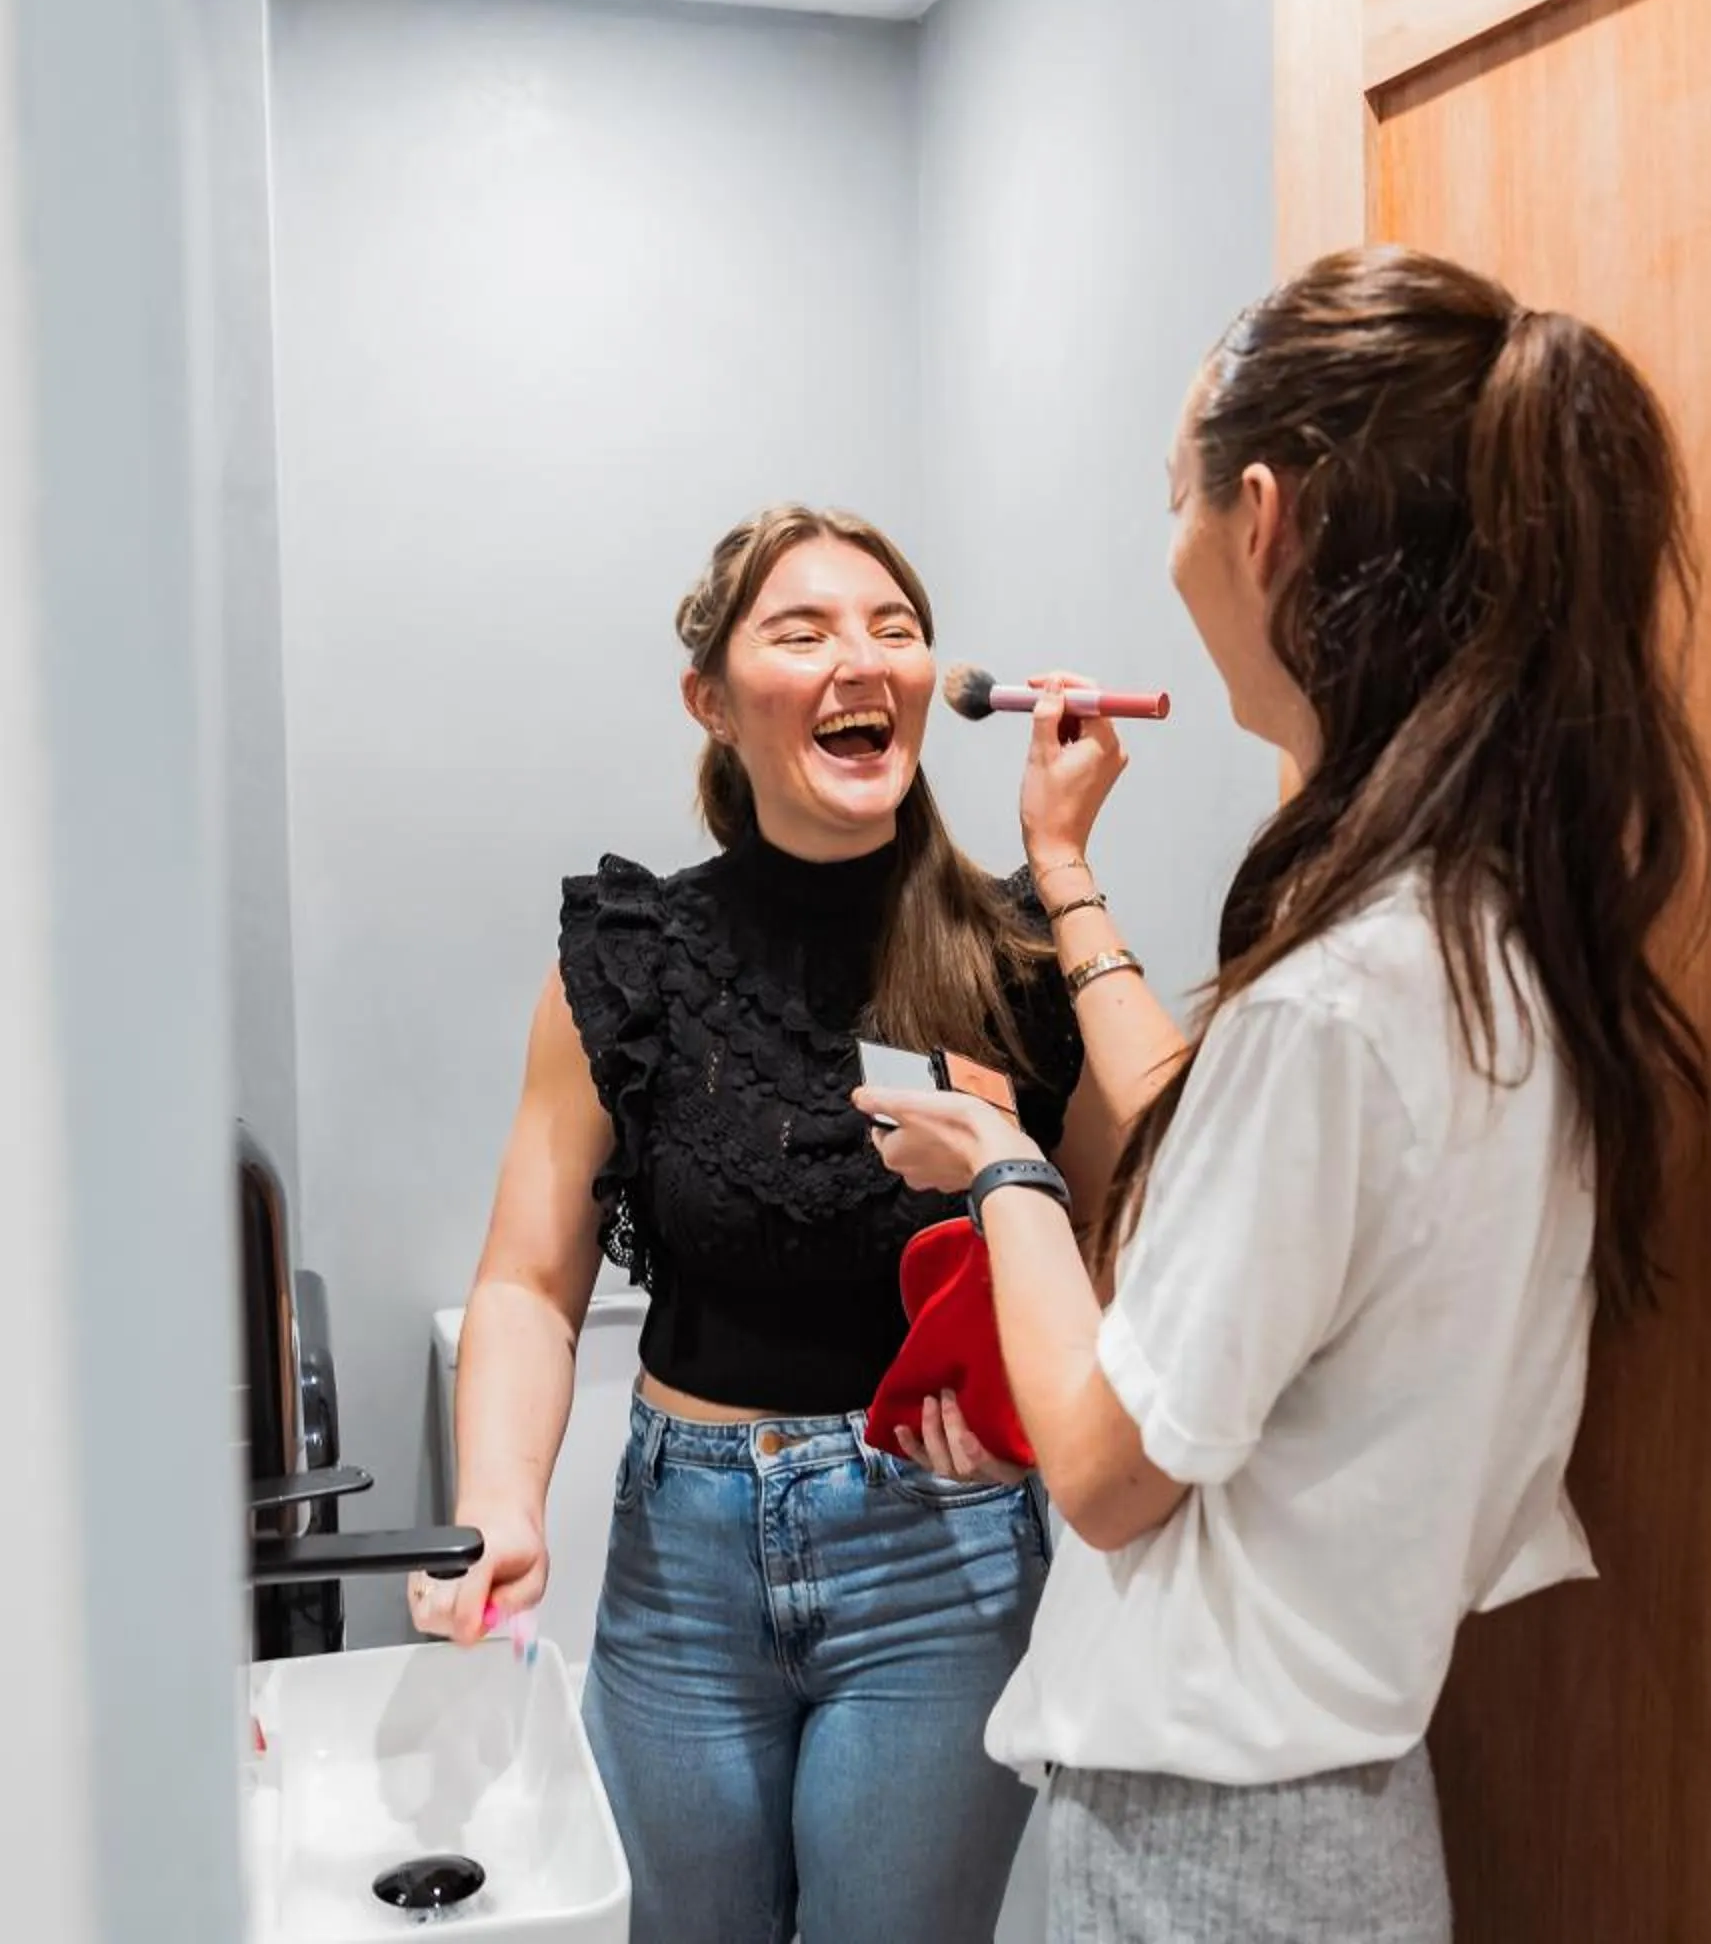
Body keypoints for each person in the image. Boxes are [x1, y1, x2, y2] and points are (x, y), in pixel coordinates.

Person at [857, 245, 1711, 1942]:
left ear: (1263, 519)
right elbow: (1256, 1168)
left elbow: (1104, 1471)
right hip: (1334, 1819)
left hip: (1212, 1861)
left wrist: (1008, 1178)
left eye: (1171, 495)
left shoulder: (1334, 1009)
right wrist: (1064, 872)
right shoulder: (1482, 940)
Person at [411, 503, 1185, 1944]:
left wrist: (1022, 1400)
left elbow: (1132, 1245)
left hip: (942, 1560)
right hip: (681, 1566)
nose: (864, 659)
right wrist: (500, 1501)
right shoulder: (631, 959)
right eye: (805, 628)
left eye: (895, 627)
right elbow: (527, 1282)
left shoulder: (1015, 950)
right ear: (712, 700)